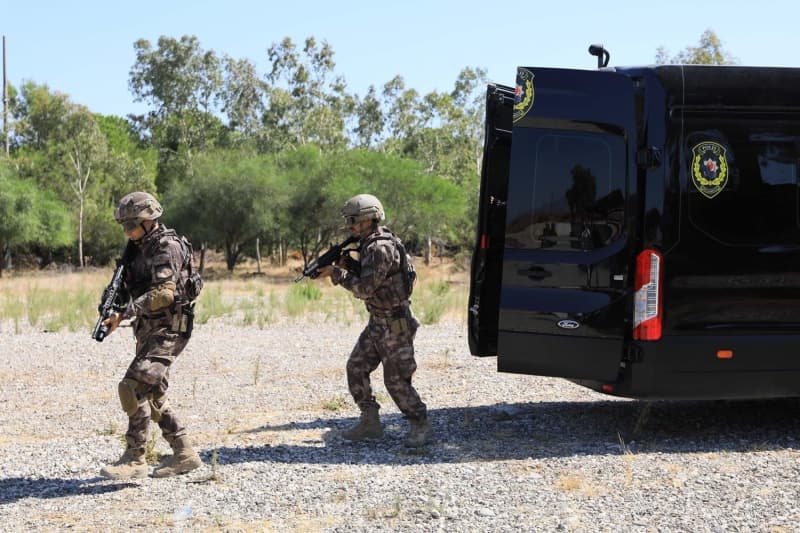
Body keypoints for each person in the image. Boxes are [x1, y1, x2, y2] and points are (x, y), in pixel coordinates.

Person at [98, 191, 203, 479]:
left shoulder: (166, 247)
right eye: (123, 225)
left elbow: (164, 294)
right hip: (149, 328)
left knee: (132, 387)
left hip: (170, 328)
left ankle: (135, 459)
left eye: (131, 225)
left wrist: (125, 313)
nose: (126, 231)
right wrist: (113, 303)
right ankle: (184, 454)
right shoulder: (137, 248)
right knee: (154, 394)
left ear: (148, 220)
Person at [316, 194, 432, 447]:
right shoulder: (370, 245)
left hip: (395, 324)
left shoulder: (379, 247)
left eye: (353, 221)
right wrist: (349, 265)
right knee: (356, 367)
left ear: (368, 219)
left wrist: (337, 273)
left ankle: (419, 424)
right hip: (378, 321)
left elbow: (365, 289)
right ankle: (370, 422)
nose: (351, 227)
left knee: (396, 380)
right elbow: (374, 279)